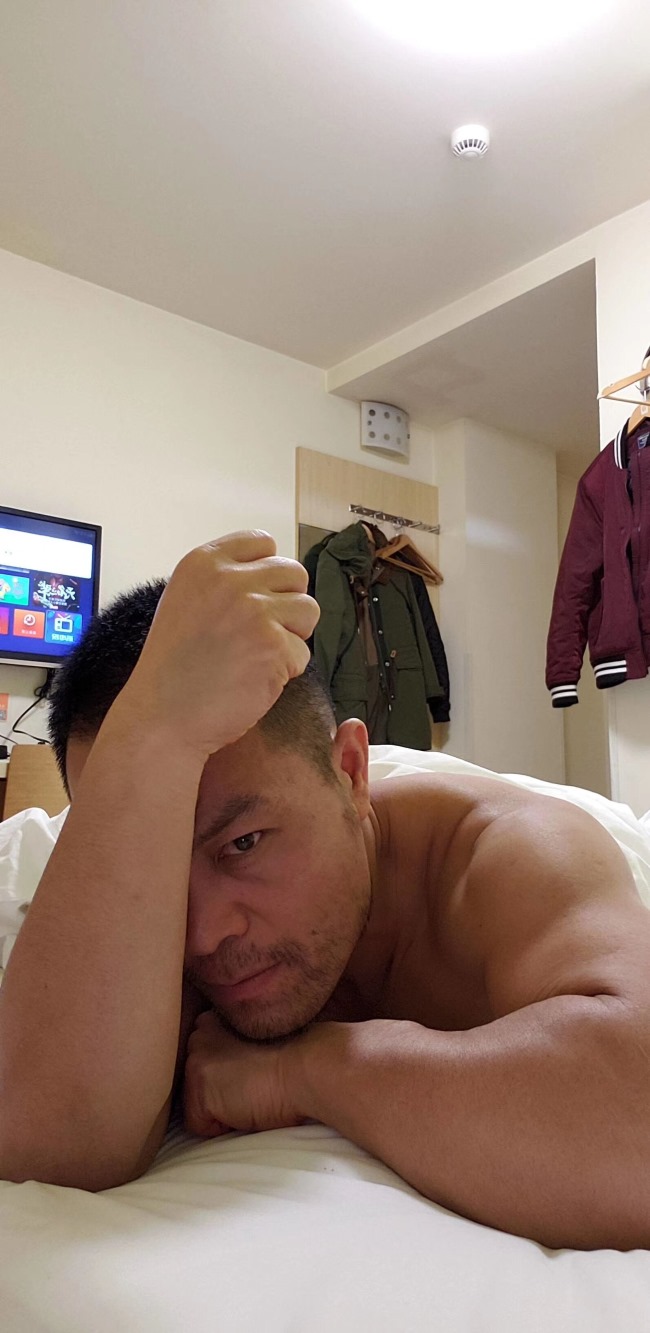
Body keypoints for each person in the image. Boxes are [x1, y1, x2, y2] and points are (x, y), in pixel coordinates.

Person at [0, 532, 649, 1252]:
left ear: (351, 771)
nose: (204, 934)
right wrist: (149, 736)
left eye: (244, 844)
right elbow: (49, 1141)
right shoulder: (158, 918)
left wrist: (305, 1069)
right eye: (163, 868)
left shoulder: (507, 854)